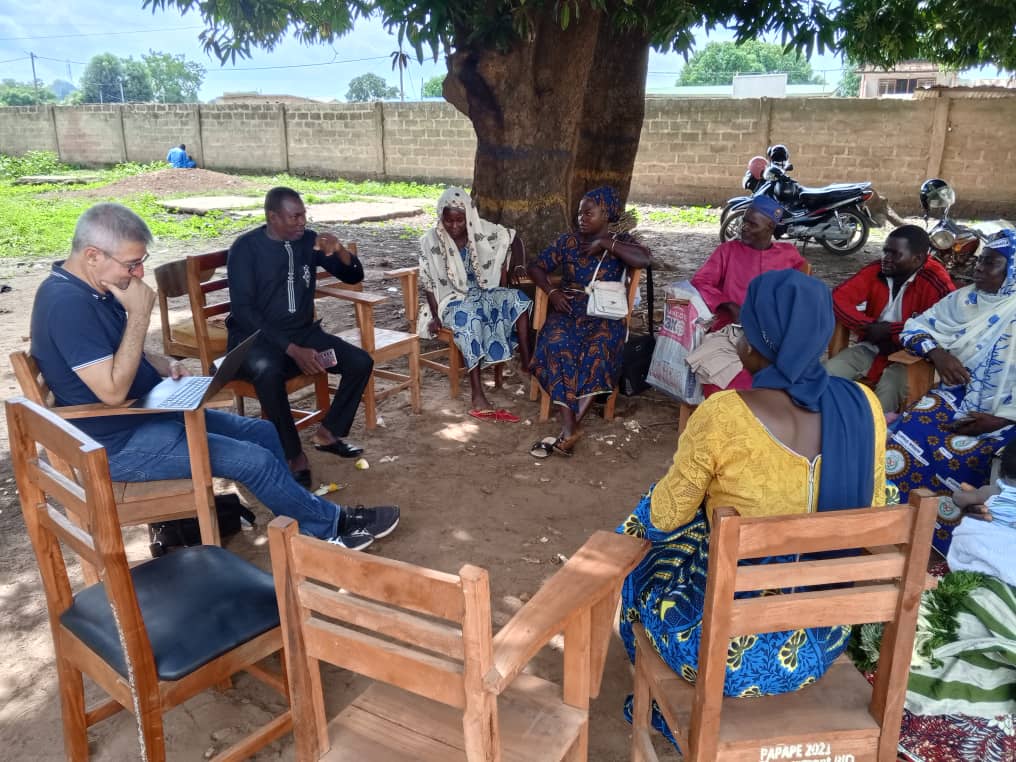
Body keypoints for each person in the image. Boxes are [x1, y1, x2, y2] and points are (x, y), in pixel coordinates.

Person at [29, 202, 398, 550]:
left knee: (263, 432)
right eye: (132, 264)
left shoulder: (93, 289)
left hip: (147, 412)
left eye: (140, 262)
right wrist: (140, 315)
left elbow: (118, 352)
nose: (139, 273)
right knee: (253, 460)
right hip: (116, 444)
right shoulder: (67, 305)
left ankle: (302, 517)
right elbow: (109, 393)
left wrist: (161, 363)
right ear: (92, 255)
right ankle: (332, 526)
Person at [617, 269, 885, 743]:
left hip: (718, 656)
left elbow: (665, 514)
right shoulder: (864, 406)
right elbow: (874, 515)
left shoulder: (726, 413)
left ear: (761, 342)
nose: (736, 341)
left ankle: (667, 708)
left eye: (743, 331)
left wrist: (631, 531)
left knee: (644, 558)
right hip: (818, 644)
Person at [227, 187, 374, 488]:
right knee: (268, 373)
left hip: (304, 336)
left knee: (359, 362)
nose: (302, 222)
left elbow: (353, 277)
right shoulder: (246, 249)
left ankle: (328, 433)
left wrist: (341, 252)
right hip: (256, 342)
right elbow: (243, 312)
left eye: (304, 214)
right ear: (273, 217)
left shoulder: (308, 241)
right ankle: (294, 455)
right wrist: (292, 349)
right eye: (294, 216)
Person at [886, 229, 1016, 556]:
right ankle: (892, 523)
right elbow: (915, 327)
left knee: (975, 459)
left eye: (992, 264)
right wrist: (938, 354)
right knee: (907, 431)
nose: (979, 268)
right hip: (960, 396)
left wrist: (998, 420)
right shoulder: (964, 299)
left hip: (1008, 417)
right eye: (980, 260)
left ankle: (946, 547)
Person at [527, 186, 652, 456]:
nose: (581, 217)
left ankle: (569, 428)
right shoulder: (568, 242)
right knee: (556, 343)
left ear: (605, 213)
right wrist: (552, 292)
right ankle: (570, 428)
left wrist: (606, 244)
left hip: (604, 315)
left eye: (588, 212)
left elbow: (644, 259)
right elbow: (535, 266)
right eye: (579, 212)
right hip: (568, 309)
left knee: (600, 347)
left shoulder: (622, 241)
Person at [418, 187, 532, 419]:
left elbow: (512, 237)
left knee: (517, 298)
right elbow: (428, 282)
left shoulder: (479, 230)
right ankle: (477, 392)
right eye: (448, 220)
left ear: (468, 217)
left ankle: (527, 360)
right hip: (451, 300)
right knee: (470, 317)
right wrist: (436, 316)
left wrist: (518, 265)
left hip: (482, 292)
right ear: (441, 216)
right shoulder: (430, 241)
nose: (454, 226)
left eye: (459, 220)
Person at [827, 224, 955, 413]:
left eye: (895, 254)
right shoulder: (878, 269)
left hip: (913, 357)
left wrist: (890, 331)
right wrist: (867, 326)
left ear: (918, 258)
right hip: (873, 345)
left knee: (886, 393)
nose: (886, 259)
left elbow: (943, 327)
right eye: (885, 251)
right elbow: (837, 299)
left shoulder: (936, 281)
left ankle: (872, 436)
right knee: (825, 375)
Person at [688, 195, 807, 394]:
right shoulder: (727, 251)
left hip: (773, 334)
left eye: (753, 224)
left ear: (770, 227)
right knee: (719, 376)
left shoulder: (788, 255)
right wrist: (729, 305)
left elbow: (803, 291)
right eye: (744, 221)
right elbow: (701, 282)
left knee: (786, 376)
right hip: (731, 330)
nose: (744, 227)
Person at [947, 445, 1016, 587]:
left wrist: (957, 494)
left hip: (985, 545)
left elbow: (961, 499)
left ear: (1000, 470)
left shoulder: (993, 492)